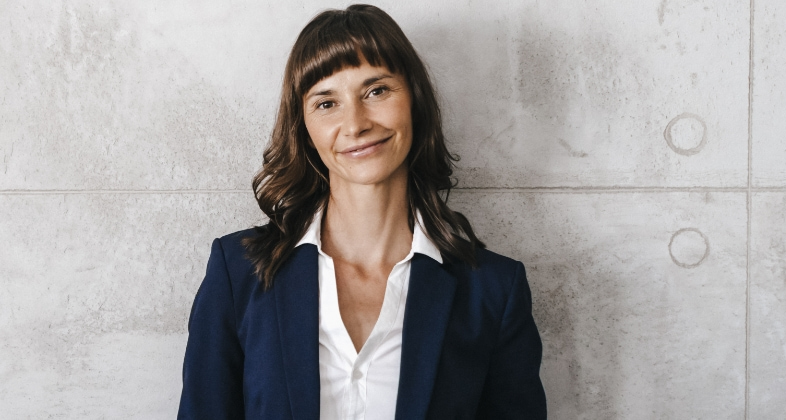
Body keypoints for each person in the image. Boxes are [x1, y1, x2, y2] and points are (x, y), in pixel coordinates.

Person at [178, 5, 546, 419]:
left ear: (415, 100)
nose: (355, 124)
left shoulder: (494, 292)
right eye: (326, 103)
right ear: (304, 128)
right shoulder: (238, 275)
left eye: (376, 91)